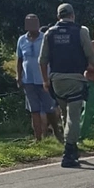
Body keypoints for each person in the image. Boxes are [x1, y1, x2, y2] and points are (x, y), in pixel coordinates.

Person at [39, 4, 94, 168]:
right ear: (73, 15)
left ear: (58, 16)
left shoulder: (49, 33)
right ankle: (68, 153)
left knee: (66, 116)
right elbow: (92, 56)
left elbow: (42, 60)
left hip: (56, 81)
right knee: (73, 118)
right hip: (75, 79)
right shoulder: (81, 31)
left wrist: (45, 81)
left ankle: (73, 150)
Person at [17, 14, 61, 142]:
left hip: (44, 80)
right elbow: (20, 59)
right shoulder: (21, 40)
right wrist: (19, 77)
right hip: (28, 81)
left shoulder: (45, 38)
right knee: (34, 110)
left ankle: (57, 134)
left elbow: (52, 58)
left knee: (50, 109)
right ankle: (38, 139)